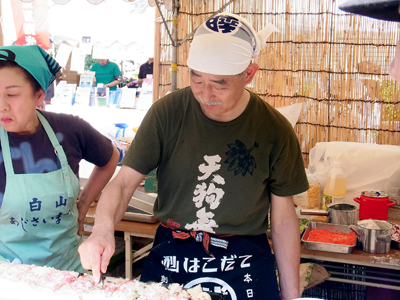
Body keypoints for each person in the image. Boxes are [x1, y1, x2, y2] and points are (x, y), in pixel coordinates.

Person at [79, 12, 309, 300]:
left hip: (244, 260)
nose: (205, 93)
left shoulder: (274, 129)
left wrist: (291, 295)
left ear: (249, 73)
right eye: (196, 78)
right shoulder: (168, 113)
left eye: (219, 83)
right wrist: (101, 231)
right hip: (174, 254)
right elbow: (123, 184)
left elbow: (284, 218)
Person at [0, 45, 120, 272]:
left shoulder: (68, 129)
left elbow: (110, 157)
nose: (2, 106)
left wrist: (84, 205)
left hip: (68, 268)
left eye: (12, 95)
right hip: (9, 274)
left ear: (39, 95)